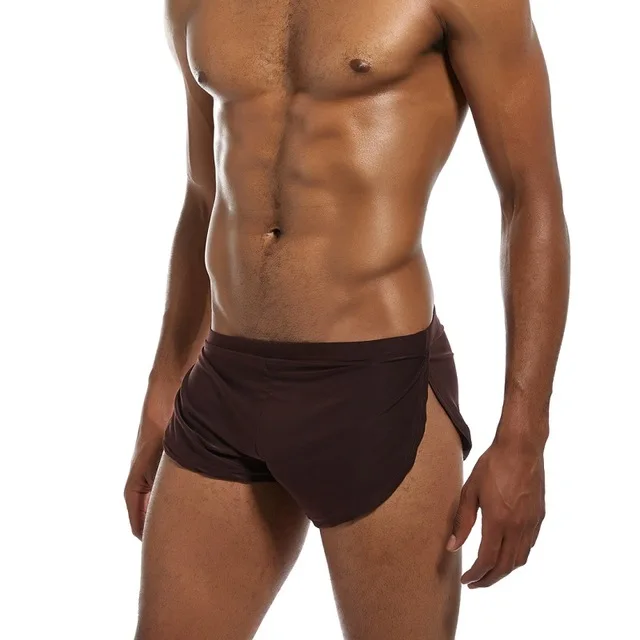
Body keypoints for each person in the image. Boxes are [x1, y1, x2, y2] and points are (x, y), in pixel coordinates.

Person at [124, 0, 569, 636]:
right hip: (224, 387)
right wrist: (162, 390)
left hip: (376, 390)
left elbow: (530, 196)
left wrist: (524, 439)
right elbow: (205, 195)